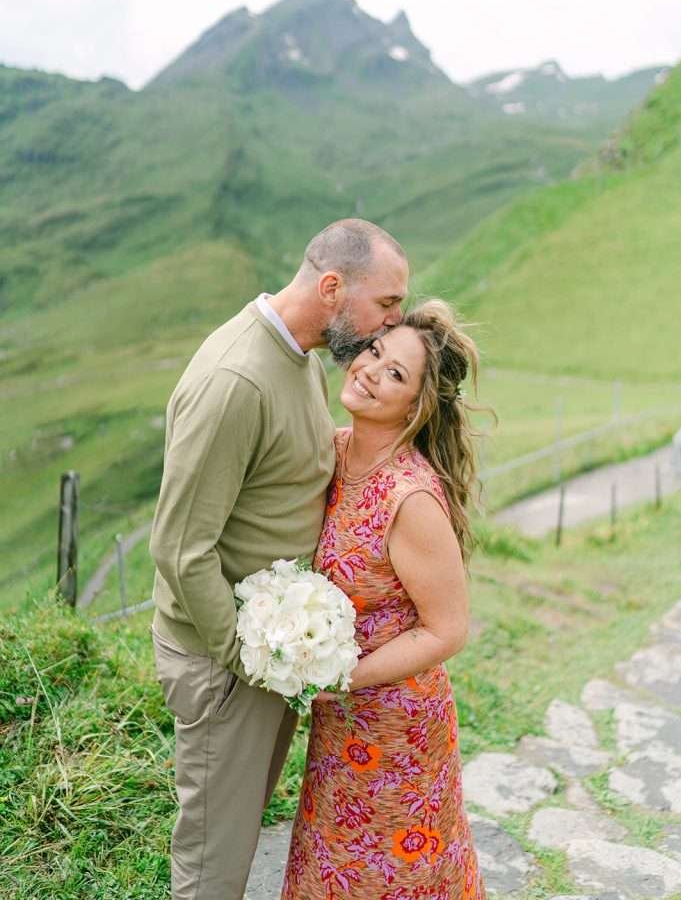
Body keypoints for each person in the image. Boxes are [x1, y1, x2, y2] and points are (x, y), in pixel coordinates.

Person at [149, 218, 409, 900]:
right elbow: (179, 548)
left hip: (267, 653)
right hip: (226, 659)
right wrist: (248, 661)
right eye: (386, 303)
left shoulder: (299, 358)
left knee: (235, 841)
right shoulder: (237, 380)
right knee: (212, 865)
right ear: (332, 287)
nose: (391, 322)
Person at [282, 299, 487, 900]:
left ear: (415, 406)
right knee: (330, 865)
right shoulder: (335, 451)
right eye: (374, 352)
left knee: (391, 877)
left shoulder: (410, 498)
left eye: (395, 373)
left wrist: (342, 676)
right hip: (339, 721)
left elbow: (447, 629)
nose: (370, 371)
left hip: (399, 729)